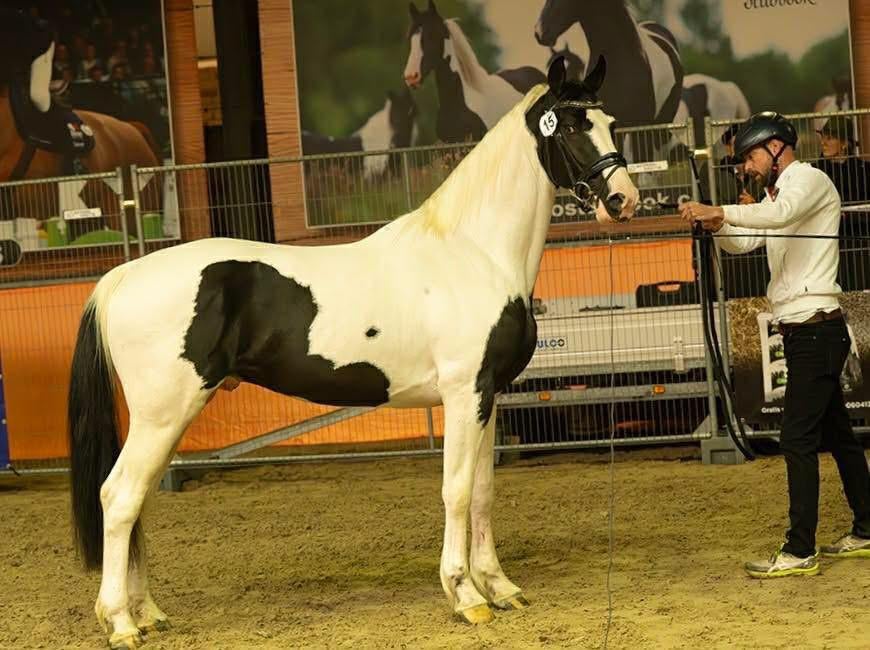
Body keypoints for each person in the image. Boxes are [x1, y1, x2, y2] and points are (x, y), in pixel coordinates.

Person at [680, 111, 870, 578]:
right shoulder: (779, 194)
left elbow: (777, 215)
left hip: (814, 328)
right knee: (837, 435)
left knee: (796, 437)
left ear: (777, 147)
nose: (747, 164)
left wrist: (721, 211)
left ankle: (799, 548)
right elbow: (743, 243)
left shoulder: (806, 180)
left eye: (751, 155)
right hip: (808, 329)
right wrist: (718, 225)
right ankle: (867, 528)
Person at [814, 116, 870, 205]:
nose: (823, 142)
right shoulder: (814, 171)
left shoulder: (864, 171)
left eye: (829, 138)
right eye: (823, 137)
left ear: (844, 143)